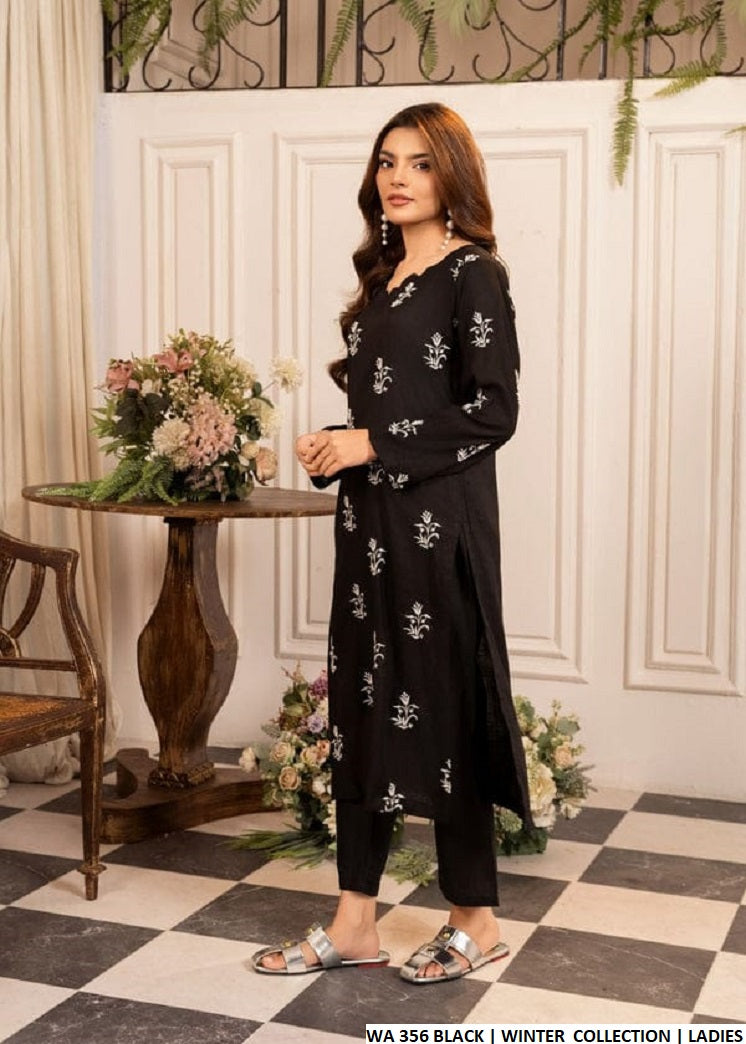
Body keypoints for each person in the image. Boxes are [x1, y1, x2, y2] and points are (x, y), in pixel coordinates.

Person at [252, 101, 532, 983]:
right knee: (364, 710)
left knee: (448, 706)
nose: (398, 177)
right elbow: (392, 402)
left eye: (419, 161)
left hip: (442, 529)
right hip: (370, 529)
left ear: (453, 174)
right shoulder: (384, 278)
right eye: (386, 161)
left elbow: (493, 412)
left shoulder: (472, 273)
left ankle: (476, 917)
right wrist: (339, 444)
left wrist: (371, 443)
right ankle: (355, 922)